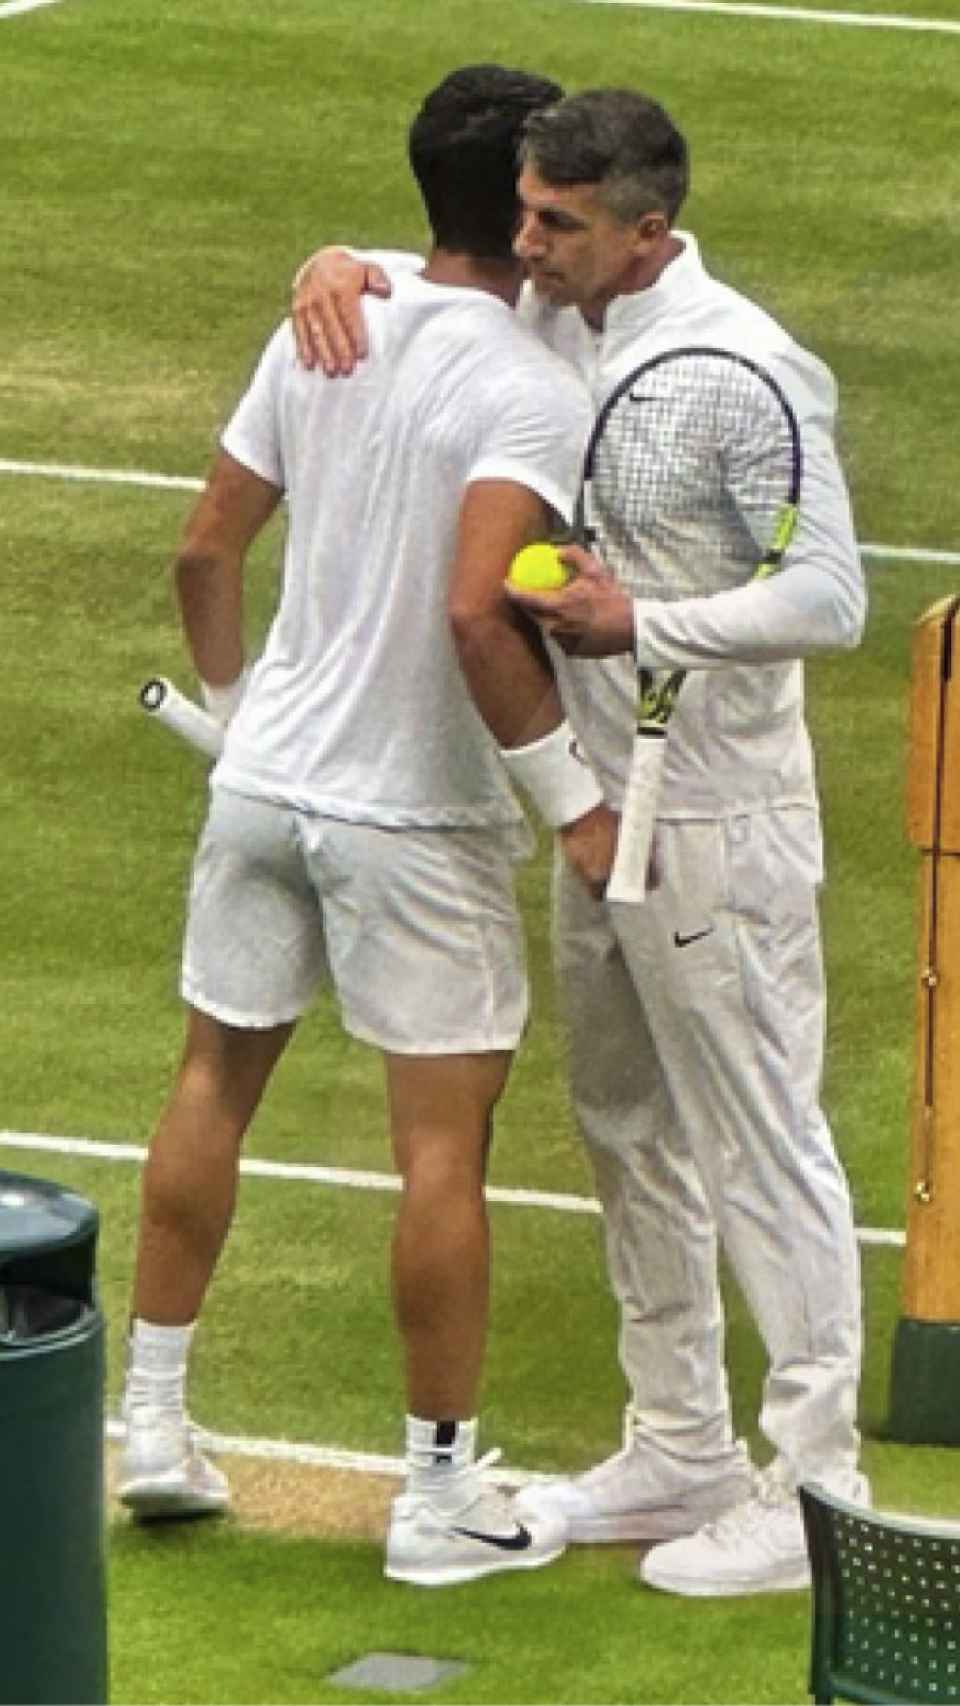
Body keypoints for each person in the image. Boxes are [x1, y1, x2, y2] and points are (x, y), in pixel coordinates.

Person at [291, 86, 869, 1597]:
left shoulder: (749, 367)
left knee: (762, 1143)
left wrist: (639, 617)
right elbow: (446, 286)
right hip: (602, 810)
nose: (525, 241)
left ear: (646, 231)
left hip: (724, 819)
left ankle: (814, 1486)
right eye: (526, 212)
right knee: (626, 1131)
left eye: (557, 222)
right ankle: (677, 1440)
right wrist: (341, 257)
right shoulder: (570, 318)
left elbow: (831, 601)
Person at [117, 64, 616, 1590]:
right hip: (421, 816)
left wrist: (238, 710)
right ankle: (440, 1496)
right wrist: (576, 808)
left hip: (263, 783)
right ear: (520, 205)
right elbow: (483, 611)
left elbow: (208, 548)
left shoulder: (327, 310)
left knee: (212, 1078)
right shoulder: (533, 387)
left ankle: (149, 1423)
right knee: (441, 1151)